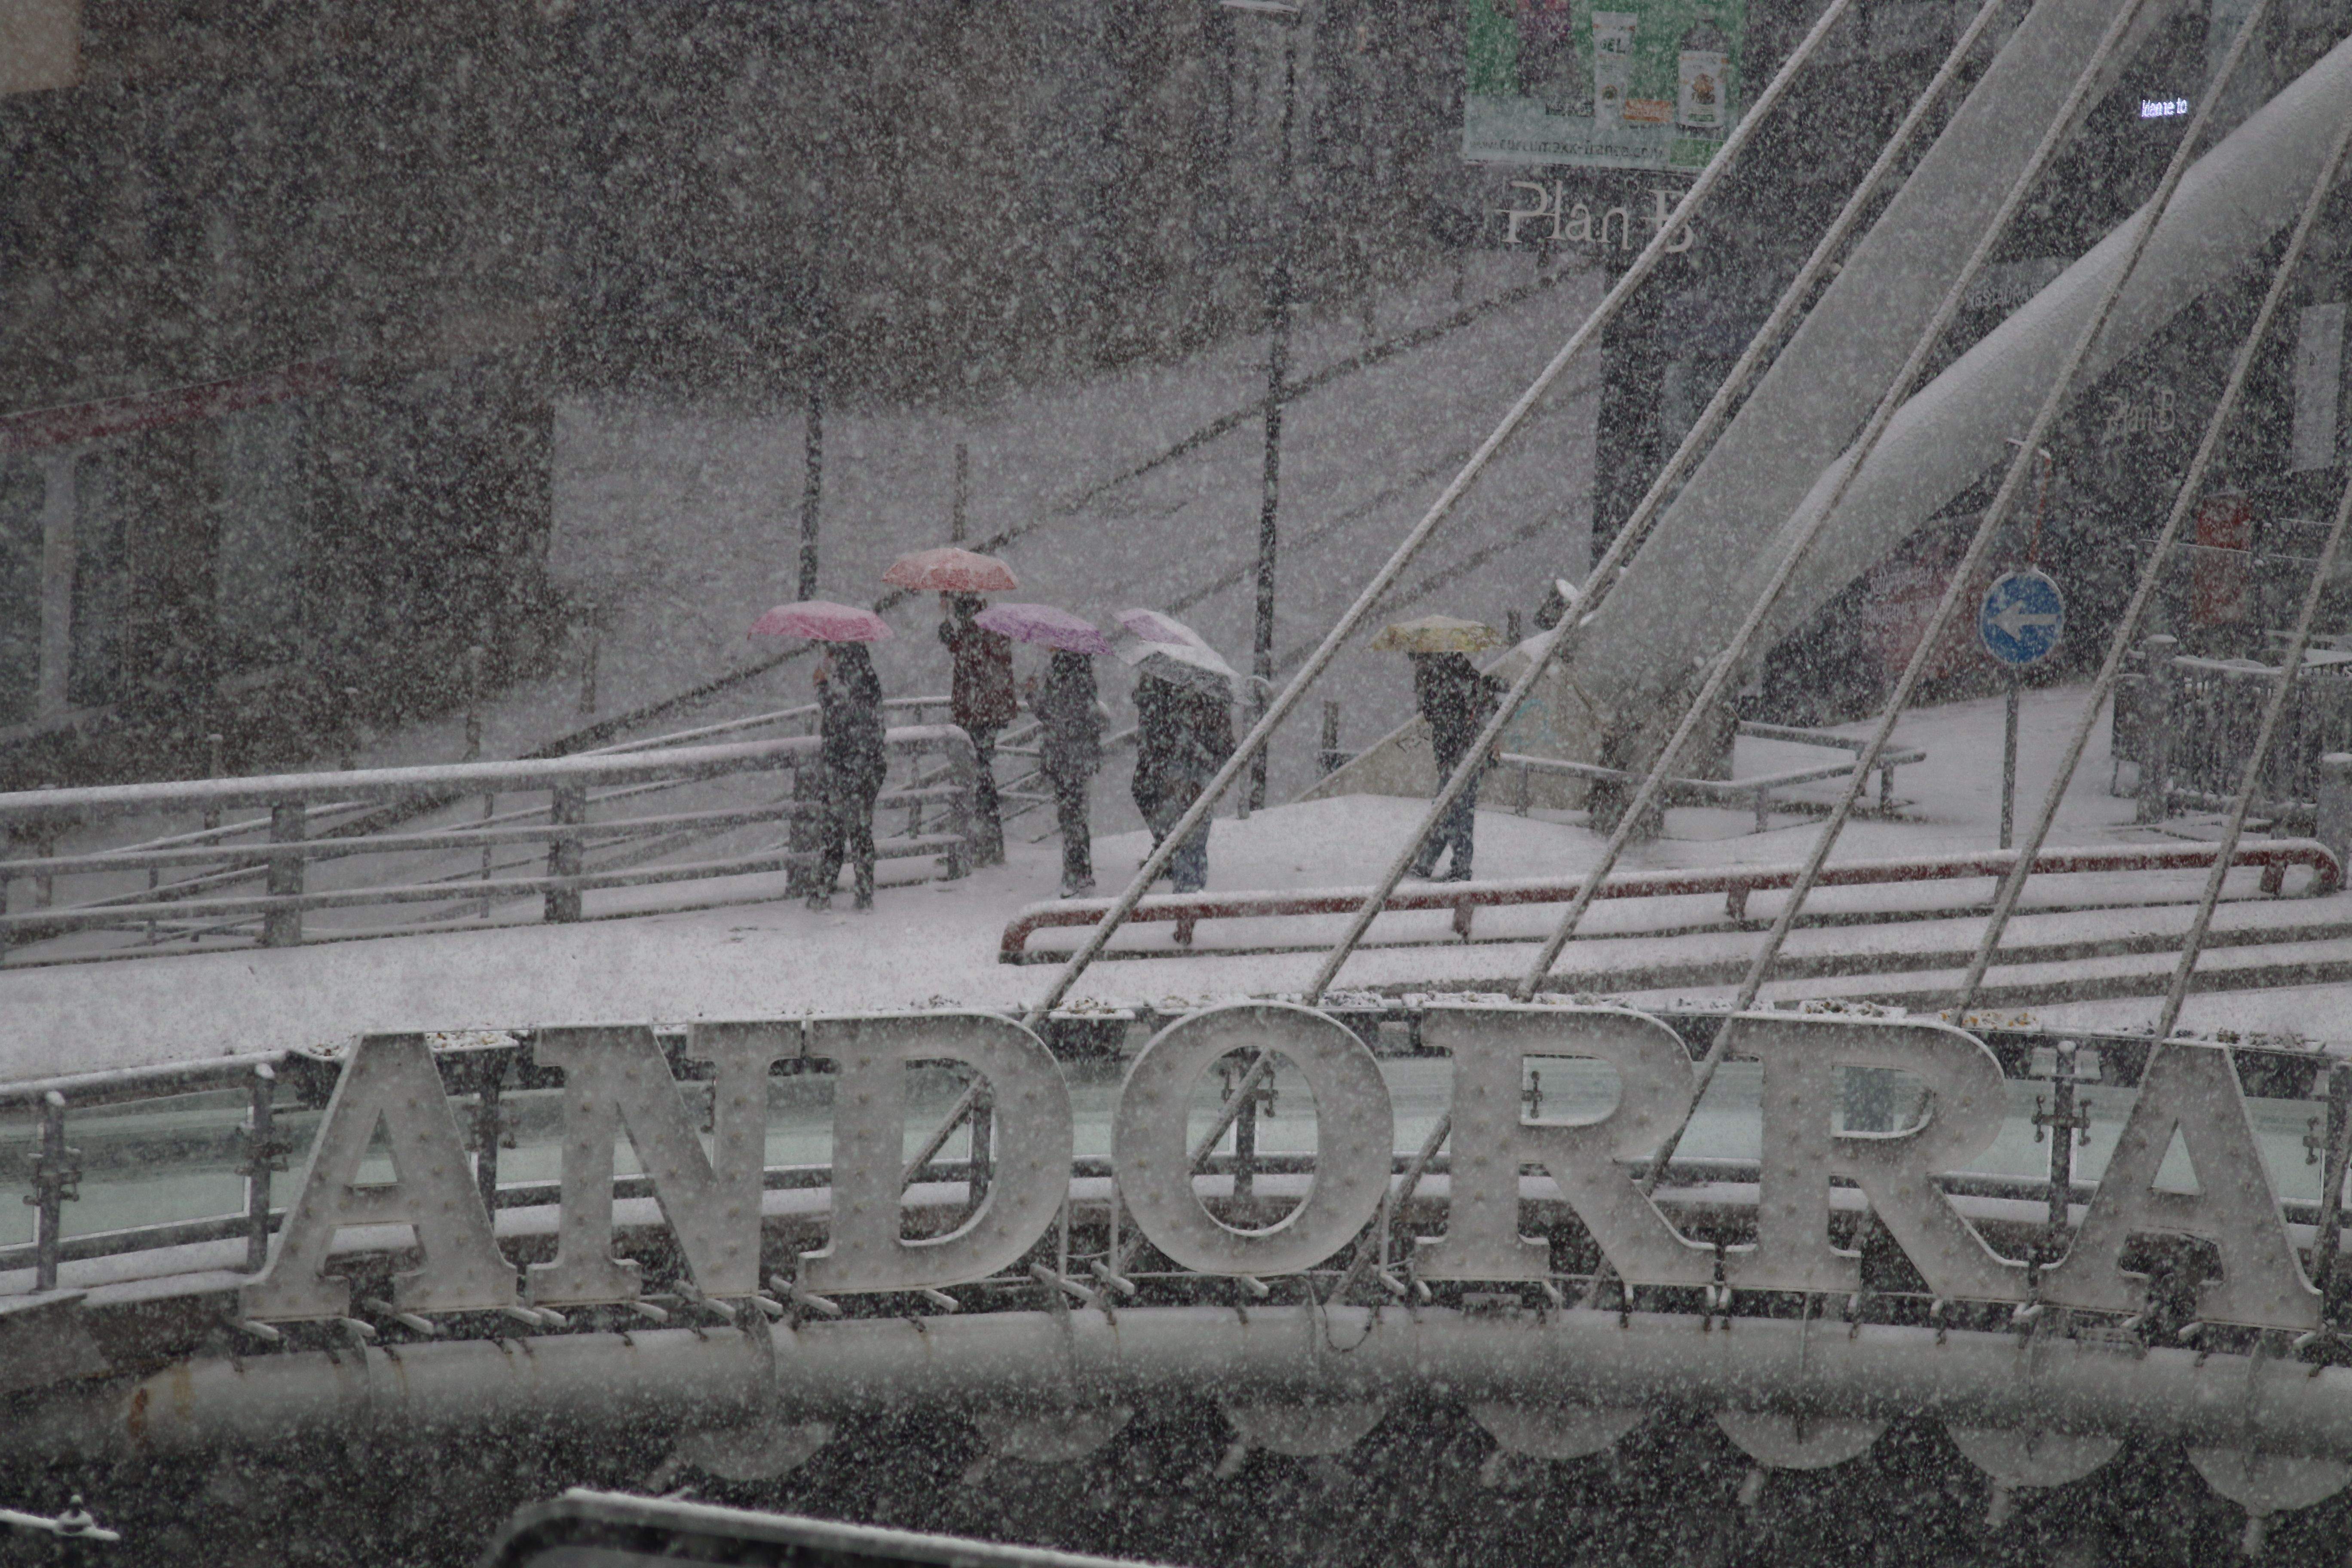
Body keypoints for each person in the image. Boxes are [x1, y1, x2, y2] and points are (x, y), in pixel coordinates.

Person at [1409, 650, 1507, 882]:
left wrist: (1449, 757)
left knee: (1455, 813)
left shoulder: (1442, 683)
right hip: (1467, 756)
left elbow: (1446, 723)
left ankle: (1460, 869)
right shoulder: (1458, 677)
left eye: (1418, 660)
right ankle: (1429, 863)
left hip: (1460, 758)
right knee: (1448, 812)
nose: (1416, 667)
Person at [1132, 671, 1232, 894]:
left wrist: (1201, 772)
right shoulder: (1169, 693)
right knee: (1186, 845)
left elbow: (1223, 748)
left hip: (1193, 782)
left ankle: (1186, 905)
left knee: (1192, 846)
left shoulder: (1205, 697)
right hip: (1178, 778)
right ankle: (1185, 903)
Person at [939, 593, 1014, 867]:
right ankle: (986, 844)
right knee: (981, 778)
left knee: (979, 779)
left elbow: (975, 666)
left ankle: (985, 845)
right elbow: (976, 662)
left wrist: (955, 642)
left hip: (979, 715)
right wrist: (954, 642)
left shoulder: (982, 629)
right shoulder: (984, 627)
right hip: (982, 713)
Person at [809, 642, 886, 911]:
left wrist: (822, 687)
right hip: (867, 765)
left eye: (830, 653)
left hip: (847, 767)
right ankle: (863, 892)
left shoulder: (847, 680)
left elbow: (840, 718)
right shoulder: (868, 677)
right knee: (860, 830)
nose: (827, 658)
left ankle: (823, 891)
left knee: (835, 831)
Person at [1026, 649, 1102, 897]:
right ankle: (1082, 873)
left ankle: (1075, 874)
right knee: (1077, 814)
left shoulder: (1061, 676)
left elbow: (1049, 712)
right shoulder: (1085, 678)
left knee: (1069, 816)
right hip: (1079, 757)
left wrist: (1032, 693)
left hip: (1064, 756)